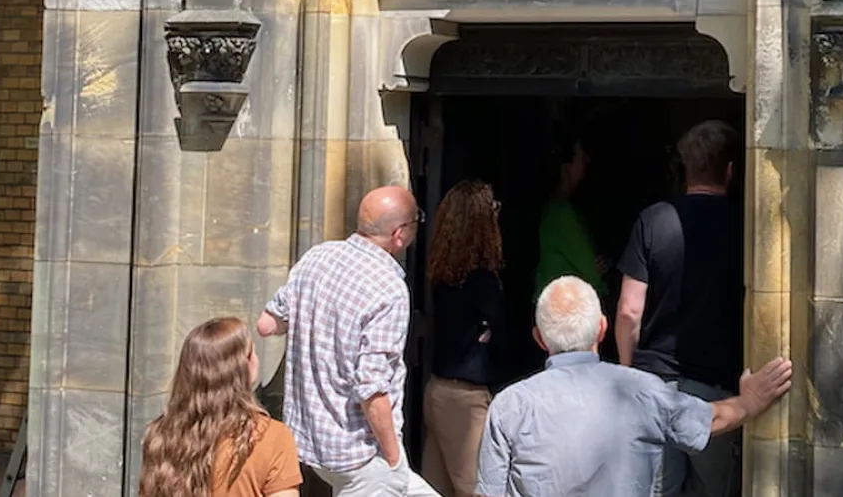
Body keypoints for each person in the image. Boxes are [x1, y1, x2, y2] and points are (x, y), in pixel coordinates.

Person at [475, 277, 791, 497]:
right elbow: (710, 419)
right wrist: (751, 400)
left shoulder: (509, 406)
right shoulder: (640, 392)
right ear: (602, 328)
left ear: (540, 339)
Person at [256, 186, 440, 496]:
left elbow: (266, 324)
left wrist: (314, 318)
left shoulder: (318, 256)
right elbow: (371, 386)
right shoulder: (389, 287)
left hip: (312, 442)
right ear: (399, 234)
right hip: (362, 454)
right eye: (415, 221)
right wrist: (393, 458)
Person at [615, 121, 745, 497]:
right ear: (731, 170)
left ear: (685, 167)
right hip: (716, 392)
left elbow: (628, 310)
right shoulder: (744, 225)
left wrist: (627, 374)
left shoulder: (653, 219)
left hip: (654, 385)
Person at [137, 317, 303, 497]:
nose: (256, 357)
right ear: (242, 367)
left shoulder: (160, 435)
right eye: (251, 352)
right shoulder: (271, 437)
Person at [421, 181, 508, 497]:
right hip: (465, 399)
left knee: (434, 489)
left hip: (437, 390)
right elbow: (503, 334)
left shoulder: (443, 276)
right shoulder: (482, 281)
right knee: (476, 490)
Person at [533, 139, 607, 301]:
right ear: (565, 166)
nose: (587, 159)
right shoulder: (561, 214)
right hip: (564, 311)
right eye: (580, 155)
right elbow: (593, 274)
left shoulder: (559, 208)